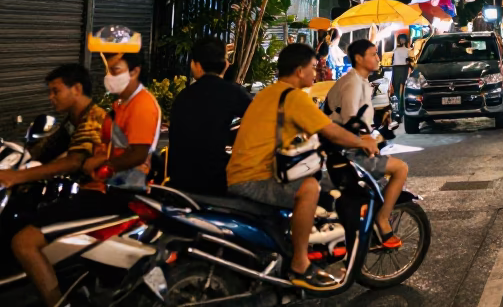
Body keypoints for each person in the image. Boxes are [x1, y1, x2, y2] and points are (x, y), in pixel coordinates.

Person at [227, 43, 381, 289]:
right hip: (254, 178)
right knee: (309, 187)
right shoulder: (294, 96)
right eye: (312, 68)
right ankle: (300, 263)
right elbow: (331, 132)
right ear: (299, 71)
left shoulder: (270, 92)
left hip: (244, 172)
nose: (316, 72)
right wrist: (363, 142)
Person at [1, 64, 110, 307]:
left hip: (96, 194)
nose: (51, 98)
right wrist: (18, 160)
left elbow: (73, 162)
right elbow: (46, 149)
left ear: (77, 89)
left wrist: (17, 177)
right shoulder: (74, 119)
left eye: (55, 91)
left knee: (23, 242)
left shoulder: (93, 120)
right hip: (79, 191)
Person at [326, 39, 409, 247]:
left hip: (347, 147)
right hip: (344, 153)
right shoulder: (352, 83)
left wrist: (378, 131)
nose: (378, 57)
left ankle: (369, 219)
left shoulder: (360, 81)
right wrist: (369, 140)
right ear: (359, 58)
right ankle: (382, 220)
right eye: (373, 54)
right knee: (400, 169)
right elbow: (349, 123)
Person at [168, 38, 253, 195]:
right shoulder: (232, 92)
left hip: (178, 181)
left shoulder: (184, 95)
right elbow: (259, 118)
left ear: (196, 65)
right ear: (225, 64)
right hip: (215, 183)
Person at [90, 50, 162, 189]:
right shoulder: (122, 104)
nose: (109, 77)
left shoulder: (142, 105)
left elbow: (138, 155)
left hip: (131, 186)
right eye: (108, 71)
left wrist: (105, 168)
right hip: (117, 182)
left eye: (115, 71)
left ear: (134, 72)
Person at [391, 34, 411, 102]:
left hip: (404, 67)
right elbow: (393, 59)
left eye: (403, 39)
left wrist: (408, 62)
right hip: (396, 67)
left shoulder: (407, 50)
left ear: (406, 40)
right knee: (396, 85)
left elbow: (408, 60)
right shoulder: (395, 49)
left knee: (403, 84)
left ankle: (402, 101)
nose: (402, 40)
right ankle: (397, 101)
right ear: (399, 40)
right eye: (401, 39)